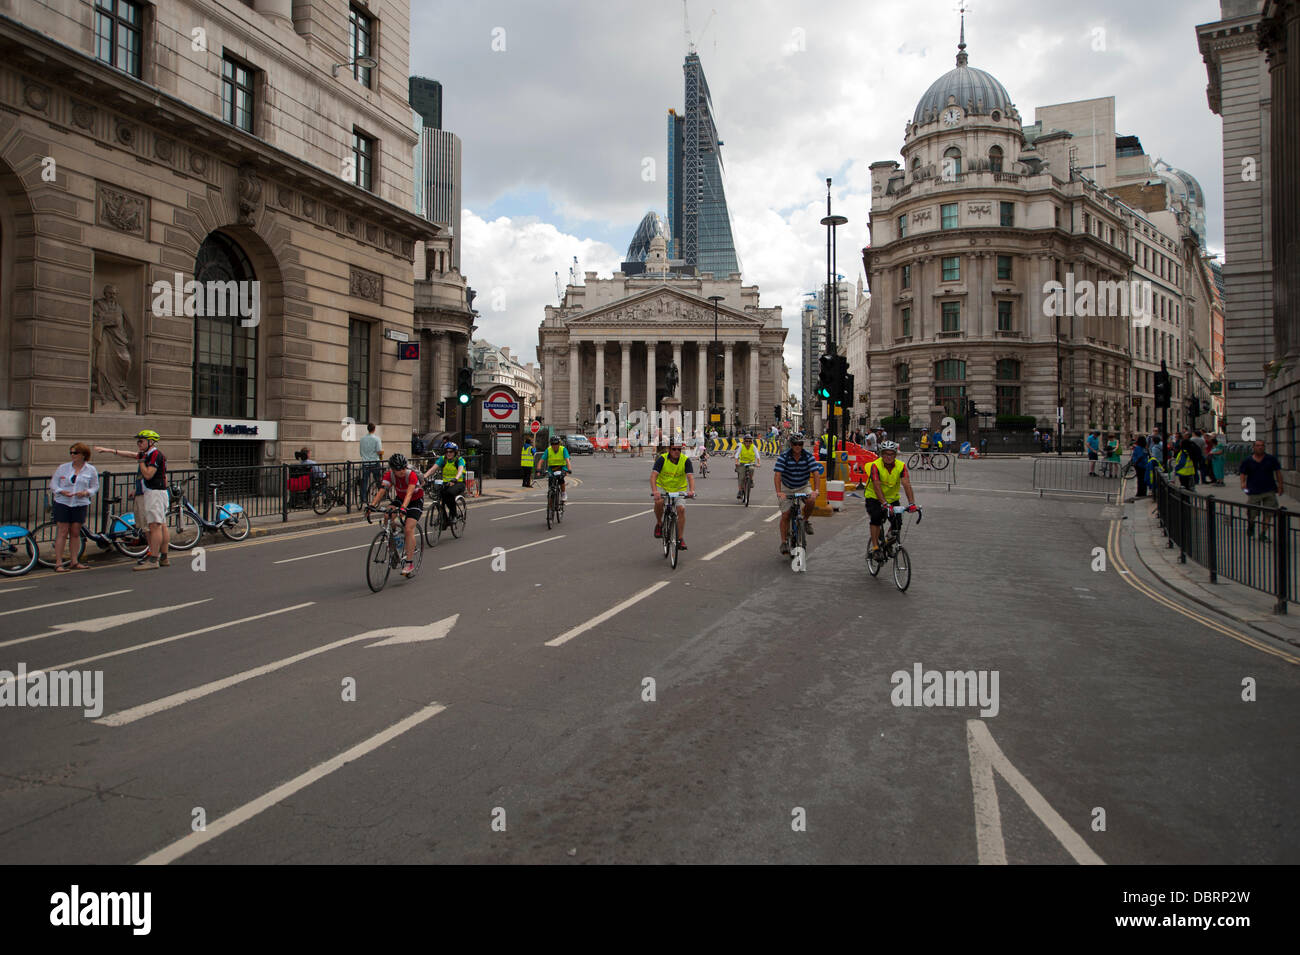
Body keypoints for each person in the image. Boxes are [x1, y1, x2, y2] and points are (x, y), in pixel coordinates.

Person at [95, 429, 169, 570]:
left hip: (155, 493)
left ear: (151, 442)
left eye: (141, 441)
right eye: (138, 441)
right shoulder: (148, 454)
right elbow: (131, 455)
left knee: (155, 526)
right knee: (159, 525)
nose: (138, 444)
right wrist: (110, 451)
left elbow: (148, 474)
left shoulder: (154, 455)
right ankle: (163, 557)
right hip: (153, 492)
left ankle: (154, 559)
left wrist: (141, 461)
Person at [371, 453, 423, 576]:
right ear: (393, 470)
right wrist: (372, 505)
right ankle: (395, 542)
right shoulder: (389, 475)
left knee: (408, 528)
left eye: (403, 468)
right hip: (400, 498)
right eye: (398, 469)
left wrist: (404, 508)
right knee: (387, 515)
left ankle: (409, 563)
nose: (402, 471)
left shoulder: (411, 475)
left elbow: (410, 494)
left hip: (415, 501)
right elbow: (382, 490)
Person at [49, 443, 98, 571]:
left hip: (80, 503)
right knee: (62, 531)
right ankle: (59, 563)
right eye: (71, 452)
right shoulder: (63, 468)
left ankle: (74, 561)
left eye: (75, 453)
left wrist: (86, 493)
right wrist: (61, 491)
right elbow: (53, 484)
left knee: (75, 532)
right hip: (63, 502)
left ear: (83, 455)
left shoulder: (90, 470)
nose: (72, 455)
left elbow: (95, 486)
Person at [865, 441, 918, 560]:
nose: (888, 457)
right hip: (874, 497)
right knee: (876, 518)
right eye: (885, 454)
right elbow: (877, 486)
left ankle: (888, 542)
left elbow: (906, 484)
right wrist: (884, 504)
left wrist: (911, 503)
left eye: (891, 454)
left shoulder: (901, 466)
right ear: (881, 454)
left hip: (892, 498)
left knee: (897, 522)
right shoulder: (876, 465)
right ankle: (875, 548)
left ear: (895, 455)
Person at [773, 433, 824, 556]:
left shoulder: (808, 456)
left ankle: (805, 521)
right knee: (786, 514)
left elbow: (816, 473)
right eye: (795, 444)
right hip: (787, 487)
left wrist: (816, 490)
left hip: (803, 485)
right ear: (791, 445)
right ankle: (784, 542)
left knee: (811, 500)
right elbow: (777, 475)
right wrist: (779, 492)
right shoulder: (784, 456)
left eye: (800, 444)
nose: (797, 446)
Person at [651, 439, 697, 548]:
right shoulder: (662, 459)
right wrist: (655, 491)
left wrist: (691, 491)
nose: (676, 451)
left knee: (681, 509)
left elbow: (690, 477)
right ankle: (659, 524)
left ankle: (680, 539)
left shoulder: (685, 460)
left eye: (679, 449)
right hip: (663, 487)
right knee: (659, 502)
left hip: (679, 488)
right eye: (674, 449)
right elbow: (653, 476)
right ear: (669, 449)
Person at [1239, 440, 1284, 541]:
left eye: (1262, 446)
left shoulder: (1271, 459)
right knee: (1251, 513)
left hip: (1269, 490)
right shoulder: (1247, 460)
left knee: (1268, 514)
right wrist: (1243, 483)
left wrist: (1280, 486)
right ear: (1254, 447)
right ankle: (1251, 525)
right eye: (1258, 446)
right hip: (1254, 491)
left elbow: (1278, 472)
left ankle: (1263, 533)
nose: (1260, 447)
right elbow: (1243, 473)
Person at [423, 442, 468, 531]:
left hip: (458, 483)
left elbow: (460, 470)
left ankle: (454, 515)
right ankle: (445, 520)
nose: (448, 453)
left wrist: (455, 479)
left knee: (449, 493)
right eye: (447, 452)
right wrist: (424, 477)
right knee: (439, 497)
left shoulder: (459, 460)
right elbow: (433, 469)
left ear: (455, 452)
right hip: (446, 483)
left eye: (451, 452)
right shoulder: (442, 459)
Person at [538, 434, 571, 501]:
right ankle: (550, 505)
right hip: (552, 469)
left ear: (559, 444)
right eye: (553, 444)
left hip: (562, 467)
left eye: (556, 444)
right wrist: (538, 470)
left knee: (561, 479)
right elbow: (541, 461)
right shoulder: (548, 450)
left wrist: (568, 470)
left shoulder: (563, 449)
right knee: (551, 482)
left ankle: (563, 493)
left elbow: (567, 460)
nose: (554, 446)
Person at [734, 432, 760, 500]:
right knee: (741, 477)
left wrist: (758, 463)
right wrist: (736, 462)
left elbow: (757, 455)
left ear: (751, 441)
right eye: (746, 441)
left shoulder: (753, 446)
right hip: (742, 463)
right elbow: (737, 455)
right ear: (744, 441)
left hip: (751, 463)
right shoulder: (741, 446)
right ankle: (740, 491)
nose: (748, 442)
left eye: (749, 441)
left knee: (751, 469)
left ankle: (751, 480)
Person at [359, 422, 383, 497]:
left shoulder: (362, 439)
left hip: (365, 462)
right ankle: (381, 495)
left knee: (364, 481)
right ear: (374, 429)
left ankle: (363, 498)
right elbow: (379, 450)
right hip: (375, 462)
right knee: (378, 480)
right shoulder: (377, 439)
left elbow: (361, 451)